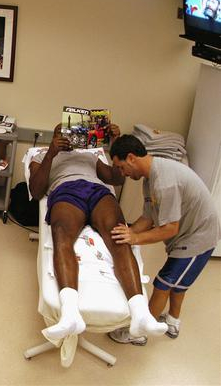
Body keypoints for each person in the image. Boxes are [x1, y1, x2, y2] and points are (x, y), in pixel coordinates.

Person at [28, 124, 167, 343]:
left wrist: (114, 142)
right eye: (62, 134)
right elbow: (36, 191)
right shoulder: (41, 156)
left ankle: (140, 313)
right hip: (66, 191)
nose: (67, 138)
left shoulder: (88, 156)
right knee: (61, 235)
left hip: (97, 192)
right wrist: (51, 153)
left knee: (119, 236)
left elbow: (117, 178)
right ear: (54, 137)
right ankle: (70, 314)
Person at [108, 134, 220, 343]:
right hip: (188, 232)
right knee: (178, 283)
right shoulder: (149, 178)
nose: (122, 173)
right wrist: (126, 232)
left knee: (163, 282)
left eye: (121, 167)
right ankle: (172, 322)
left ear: (131, 158)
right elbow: (148, 217)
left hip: (198, 237)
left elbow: (169, 229)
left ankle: (140, 333)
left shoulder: (165, 183)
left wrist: (135, 238)